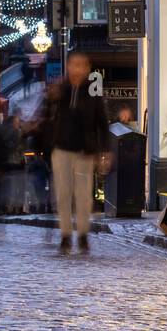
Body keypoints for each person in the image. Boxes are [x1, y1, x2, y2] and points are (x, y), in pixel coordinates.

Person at [45, 51, 111, 254]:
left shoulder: (92, 93)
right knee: (63, 194)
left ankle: (82, 235)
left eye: (81, 65)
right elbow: (47, 119)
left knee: (83, 196)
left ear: (88, 68)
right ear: (68, 67)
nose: (77, 69)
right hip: (62, 149)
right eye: (73, 65)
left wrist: (105, 151)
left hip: (85, 152)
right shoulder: (59, 90)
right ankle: (66, 236)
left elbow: (102, 123)